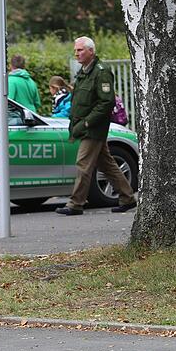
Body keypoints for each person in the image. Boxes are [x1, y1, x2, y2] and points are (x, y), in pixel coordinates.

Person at [56, 36, 136, 216]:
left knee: (83, 164)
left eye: (80, 50)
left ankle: (75, 204)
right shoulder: (84, 71)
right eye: (76, 50)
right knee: (108, 165)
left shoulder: (101, 72)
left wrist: (86, 122)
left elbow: (105, 103)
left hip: (93, 128)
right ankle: (127, 197)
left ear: (91, 51)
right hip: (87, 126)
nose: (76, 53)